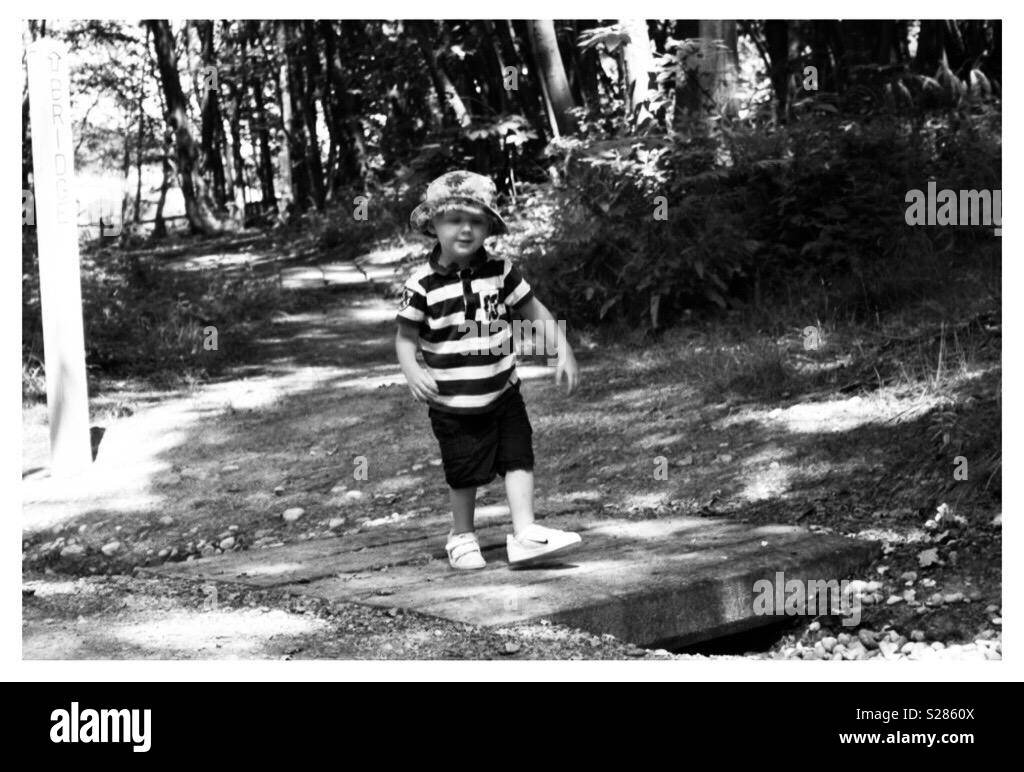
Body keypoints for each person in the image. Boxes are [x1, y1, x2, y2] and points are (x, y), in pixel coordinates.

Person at [395, 170, 583, 570]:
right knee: (464, 472)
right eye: (454, 220)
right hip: (452, 402)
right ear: (433, 225)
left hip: (503, 391)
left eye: (476, 221)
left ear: (488, 227)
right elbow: (405, 338)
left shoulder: (500, 270)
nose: (466, 229)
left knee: (519, 457)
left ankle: (525, 532)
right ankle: (461, 535)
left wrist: (561, 348)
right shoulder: (421, 285)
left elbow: (532, 309)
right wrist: (411, 370)